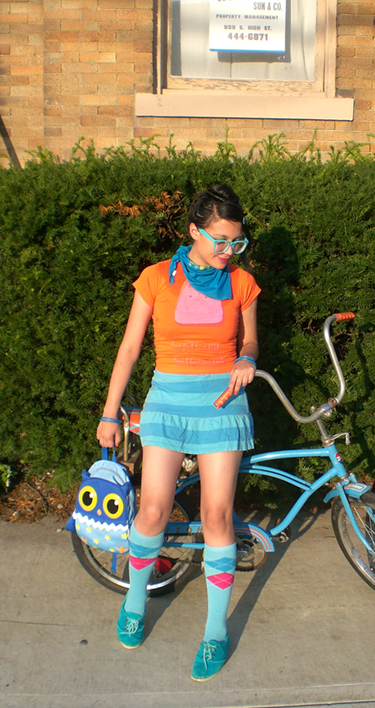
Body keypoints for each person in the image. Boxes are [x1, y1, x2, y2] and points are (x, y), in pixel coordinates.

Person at [96, 184, 260, 681]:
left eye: (237, 242)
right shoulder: (154, 279)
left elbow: (250, 336)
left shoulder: (242, 283)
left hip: (222, 406)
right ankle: (134, 601)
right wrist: (109, 413)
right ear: (193, 230)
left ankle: (214, 632)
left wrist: (248, 356)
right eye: (219, 240)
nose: (227, 251)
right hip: (167, 400)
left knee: (216, 516)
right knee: (152, 509)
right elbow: (129, 349)